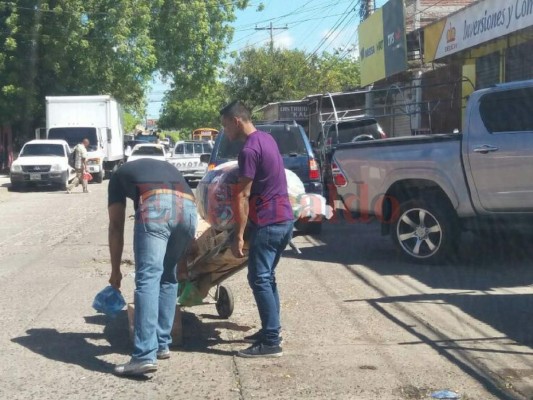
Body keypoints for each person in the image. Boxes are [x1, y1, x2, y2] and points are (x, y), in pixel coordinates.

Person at [107, 158, 197, 376]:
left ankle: (144, 355)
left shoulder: (117, 177)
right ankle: (162, 343)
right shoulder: (165, 168)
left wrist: (115, 270)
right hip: (189, 209)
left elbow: (116, 225)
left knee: (147, 278)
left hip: (156, 206)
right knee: (168, 276)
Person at [220, 101, 294, 358]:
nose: (225, 131)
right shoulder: (267, 139)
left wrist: (238, 235)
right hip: (285, 219)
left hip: (269, 221)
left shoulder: (249, 150)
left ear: (236, 121)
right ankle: (271, 330)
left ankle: (271, 341)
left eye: (225, 125)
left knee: (259, 278)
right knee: (266, 277)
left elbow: (242, 195)